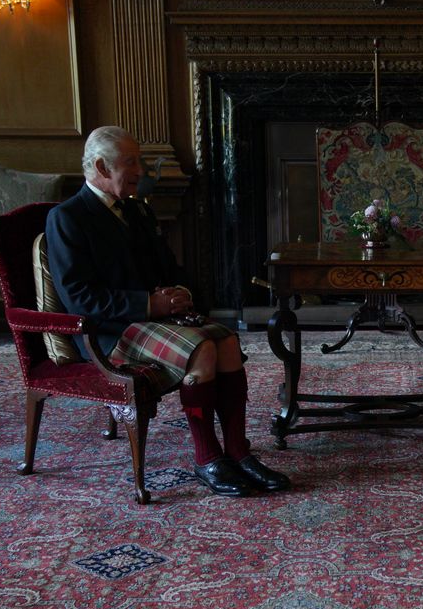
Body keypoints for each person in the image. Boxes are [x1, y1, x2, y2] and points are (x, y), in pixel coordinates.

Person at [45, 125, 290, 498]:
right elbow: (80, 298)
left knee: (224, 341)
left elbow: (169, 268)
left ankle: (239, 453)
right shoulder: (68, 218)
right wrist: (148, 304)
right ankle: (208, 458)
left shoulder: (136, 210)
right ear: (101, 166)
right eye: (131, 162)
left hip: (156, 322)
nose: (141, 170)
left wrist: (180, 292)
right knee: (202, 349)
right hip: (109, 333)